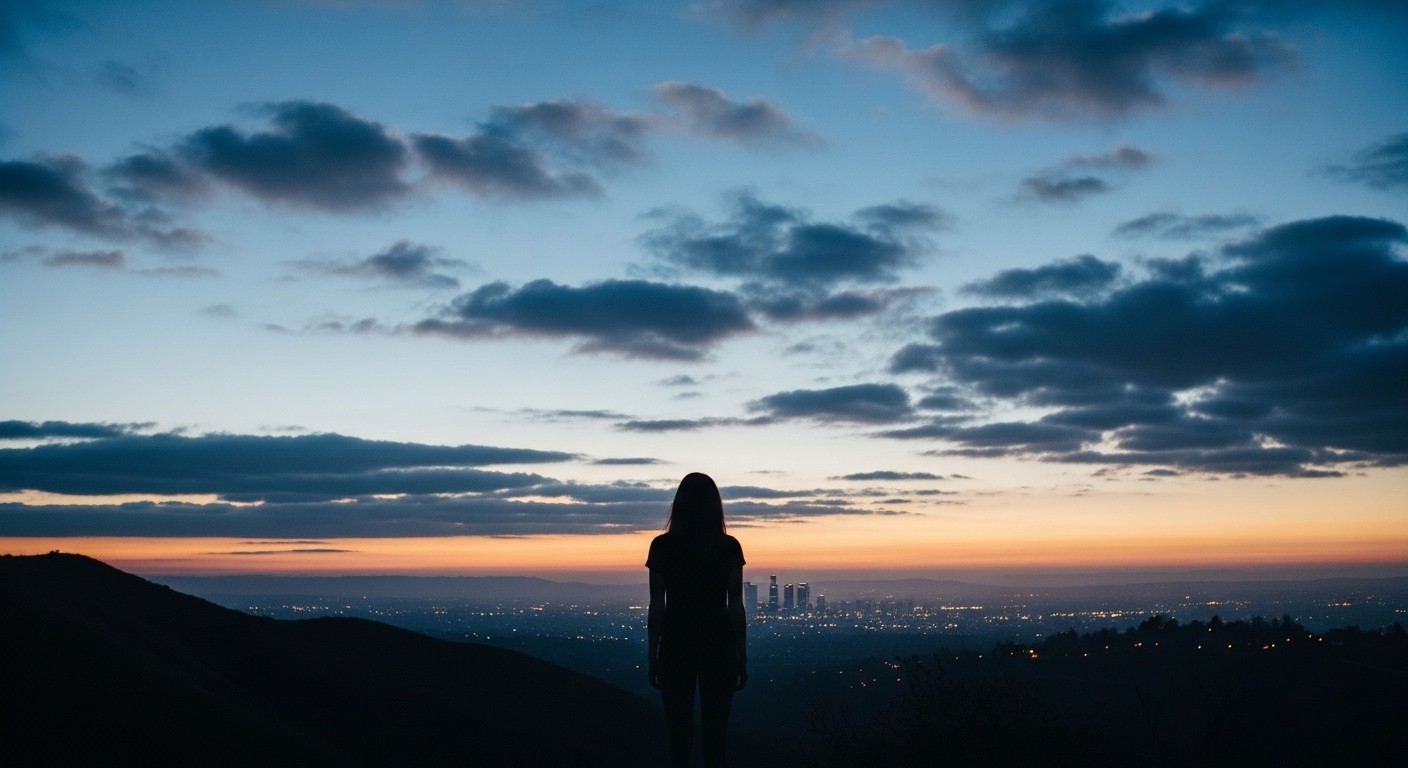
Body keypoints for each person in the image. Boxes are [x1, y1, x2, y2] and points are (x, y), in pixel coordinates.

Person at [646, 472, 747, 768]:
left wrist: (653, 654)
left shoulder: (661, 547)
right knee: (716, 741)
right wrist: (742, 656)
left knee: (678, 741)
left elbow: (657, 607)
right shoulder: (729, 547)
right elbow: (736, 607)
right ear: (715, 505)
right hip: (719, 646)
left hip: (676, 645)